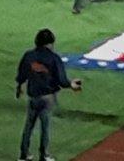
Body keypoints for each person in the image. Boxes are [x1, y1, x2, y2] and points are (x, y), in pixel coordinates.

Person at [17, 28, 79, 161]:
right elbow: (62, 80)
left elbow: (22, 74)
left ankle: (23, 155)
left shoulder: (29, 55)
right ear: (50, 43)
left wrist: (19, 86)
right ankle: (44, 155)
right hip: (47, 97)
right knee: (45, 127)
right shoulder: (54, 58)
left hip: (33, 96)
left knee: (28, 126)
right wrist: (71, 84)